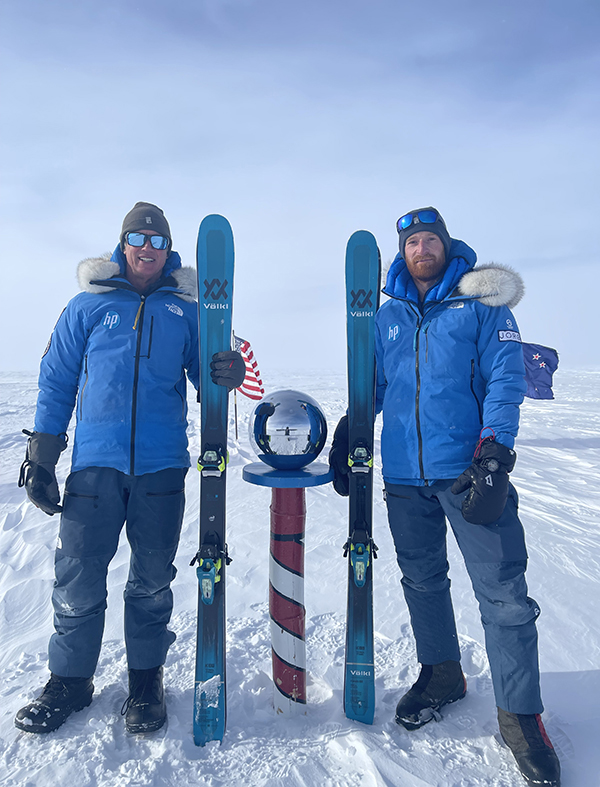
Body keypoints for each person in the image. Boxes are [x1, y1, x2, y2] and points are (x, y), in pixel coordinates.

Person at [330, 207, 560, 787]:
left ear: (447, 247)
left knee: (504, 592)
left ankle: (519, 713)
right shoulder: (386, 317)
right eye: (412, 242)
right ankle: (442, 674)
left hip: (468, 472)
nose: (421, 250)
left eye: (430, 240)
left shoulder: (482, 307)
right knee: (422, 579)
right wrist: (349, 428)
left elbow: (506, 380)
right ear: (402, 253)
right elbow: (375, 386)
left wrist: (494, 456)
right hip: (405, 476)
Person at [15, 202, 245, 735]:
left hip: (162, 471)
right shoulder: (87, 306)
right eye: (139, 239)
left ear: (168, 251)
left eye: (158, 242)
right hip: (94, 468)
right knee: (76, 576)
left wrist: (226, 369)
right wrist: (43, 459)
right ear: (122, 246)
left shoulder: (186, 312)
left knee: (151, 580)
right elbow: (57, 381)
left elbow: (206, 380)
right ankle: (69, 682)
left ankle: (146, 681)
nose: (147, 249)